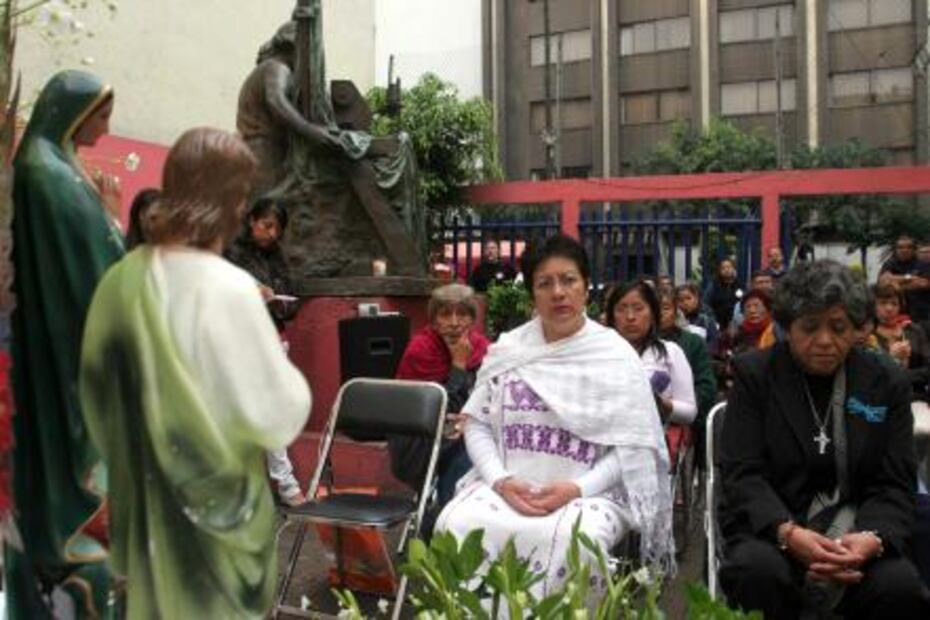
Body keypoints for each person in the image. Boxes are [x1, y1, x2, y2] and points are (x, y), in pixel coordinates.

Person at [79, 128, 312, 618]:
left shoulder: (118, 282)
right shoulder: (229, 288)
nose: (240, 213)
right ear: (222, 198)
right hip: (214, 521)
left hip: (142, 506)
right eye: (240, 197)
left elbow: (96, 402)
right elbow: (278, 415)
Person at [436, 235, 674, 601]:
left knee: (575, 540)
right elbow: (478, 422)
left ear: (586, 288)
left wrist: (576, 489)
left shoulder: (615, 356)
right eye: (545, 283)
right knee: (454, 523)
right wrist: (500, 480)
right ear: (532, 293)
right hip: (509, 485)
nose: (558, 292)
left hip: (588, 492)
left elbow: (630, 449)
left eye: (569, 280)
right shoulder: (509, 350)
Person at [719, 260, 930, 619]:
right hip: (774, 533)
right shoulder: (755, 375)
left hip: (857, 534)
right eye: (810, 327)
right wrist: (787, 533)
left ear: (857, 328)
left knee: (900, 587)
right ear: (787, 326)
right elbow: (742, 473)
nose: (825, 341)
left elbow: (896, 482)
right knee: (756, 572)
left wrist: (872, 539)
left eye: (839, 327)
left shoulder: (886, 381)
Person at [8, 70, 123, 618]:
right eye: (102, 114)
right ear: (75, 112)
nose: (107, 124)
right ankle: (70, 527)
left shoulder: (58, 166)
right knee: (72, 449)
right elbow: (92, 263)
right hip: (69, 343)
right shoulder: (47, 174)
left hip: (70, 336)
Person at [226, 197, 305, 507]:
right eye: (267, 225)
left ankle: (285, 483)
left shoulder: (278, 258)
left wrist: (276, 299)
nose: (271, 234)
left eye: (277, 229)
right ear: (252, 221)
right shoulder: (231, 253)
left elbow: (293, 302)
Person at [389, 284, 490, 510]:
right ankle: (441, 527)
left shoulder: (482, 347)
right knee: (466, 458)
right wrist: (459, 365)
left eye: (462, 314)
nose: (454, 323)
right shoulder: (421, 349)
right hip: (419, 439)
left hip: (463, 428)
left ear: (472, 319)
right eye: (445, 314)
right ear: (434, 320)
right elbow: (438, 411)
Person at [607, 280, 697, 427]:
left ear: (653, 313)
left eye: (638, 308)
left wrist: (661, 404)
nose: (630, 317)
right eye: (621, 309)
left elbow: (689, 412)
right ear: (611, 316)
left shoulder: (671, 353)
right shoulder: (601, 355)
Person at [658, 288, 718, 460]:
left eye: (665, 308)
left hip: (681, 420)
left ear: (676, 310)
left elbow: (706, 386)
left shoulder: (693, 342)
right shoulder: (637, 343)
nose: (659, 314)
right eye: (654, 308)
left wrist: (680, 410)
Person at [872, 282, 930, 403]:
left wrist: (901, 376)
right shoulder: (868, 335)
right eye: (883, 303)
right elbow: (869, 378)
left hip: (916, 399)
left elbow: (928, 369)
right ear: (874, 306)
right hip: (881, 401)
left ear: (900, 307)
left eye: (894, 303)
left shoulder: (913, 330)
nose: (889, 308)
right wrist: (890, 357)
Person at [879, 234, 930, 324]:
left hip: (922, 316)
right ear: (895, 250)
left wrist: (894, 283)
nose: (904, 250)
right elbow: (883, 281)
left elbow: (924, 284)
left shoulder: (923, 264)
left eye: (908, 247)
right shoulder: (890, 264)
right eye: (900, 247)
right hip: (897, 316)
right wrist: (910, 277)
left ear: (914, 250)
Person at [703, 258, 743, 331]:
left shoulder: (739, 285)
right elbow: (706, 304)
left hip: (736, 325)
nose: (726, 270)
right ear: (719, 271)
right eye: (723, 268)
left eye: (729, 267)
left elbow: (742, 302)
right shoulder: (713, 286)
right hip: (717, 324)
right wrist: (712, 320)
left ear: (734, 269)